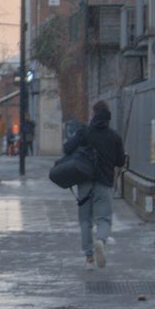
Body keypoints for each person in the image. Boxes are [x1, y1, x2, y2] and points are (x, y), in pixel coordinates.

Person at [64, 100, 126, 268]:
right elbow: (120, 161)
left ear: (93, 114)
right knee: (104, 219)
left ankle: (89, 258)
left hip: (84, 182)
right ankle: (100, 240)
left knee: (85, 221)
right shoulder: (114, 137)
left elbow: (67, 149)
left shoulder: (84, 133)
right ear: (107, 117)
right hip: (104, 183)